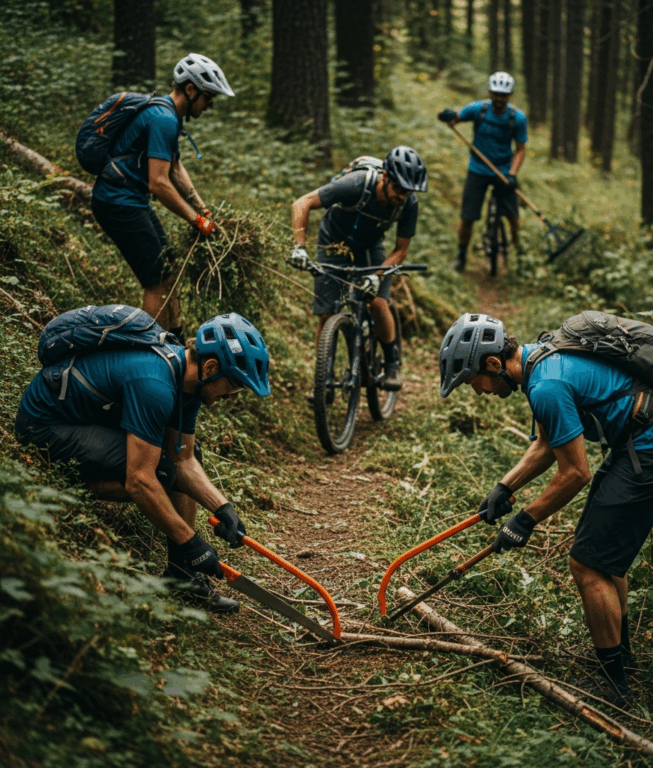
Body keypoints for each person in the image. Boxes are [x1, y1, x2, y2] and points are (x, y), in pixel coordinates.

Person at [438, 312, 653, 708]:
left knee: (587, 565)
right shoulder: (541, 361)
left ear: (493, 364)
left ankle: (613, 687)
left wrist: (524, 520)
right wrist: (504, 487)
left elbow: (575, 473)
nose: (477, 391)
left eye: (473, 382)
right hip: (639, 443)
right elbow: (546, 444)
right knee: (603, 562)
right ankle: (621, 656)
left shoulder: (546, 385)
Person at [15, 311, 270, 613]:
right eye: (235, 386)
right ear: (211, 367)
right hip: (46, 425)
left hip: (87, 422)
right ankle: (66, 487)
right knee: (158, 476)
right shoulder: (155, 384)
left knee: (177, 461)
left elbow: (184, 458)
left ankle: (183, 576)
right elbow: (141, 480)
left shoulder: (187, 385)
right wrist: (191, 542)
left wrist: (222, 507)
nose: (232, 396)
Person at [90, 53, 235, 335]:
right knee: (156, 280)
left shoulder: (169, 116)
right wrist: (196, 220)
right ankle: (149, 349)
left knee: (169, 267)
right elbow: (158, 183)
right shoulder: (163, 118)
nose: (210, 106)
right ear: (191, 90)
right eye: (209, 98)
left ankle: (175, 340)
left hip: (130, 201)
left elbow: (176, 167)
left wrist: (202, 207)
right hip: (118, 203)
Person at [289, 146, 428, 392]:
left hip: (369, 248)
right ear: (385, 177)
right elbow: (303, 202)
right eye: (399, 189)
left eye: (409, 192)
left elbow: (400, 251)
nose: (403, 196)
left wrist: (377, 277)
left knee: (376, 302)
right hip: (333, 242)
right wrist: (299, 247)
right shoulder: (356, 184)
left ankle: (392, 363)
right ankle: (323, 379)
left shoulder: (408, 205)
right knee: (327, 312)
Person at [438, 71, 528, 272]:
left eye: (503, 95)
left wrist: (512, 174)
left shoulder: (517, 118)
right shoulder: (477, 109)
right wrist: (448, 116)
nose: (498, 98)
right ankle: (461, 257)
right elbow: (456, 118)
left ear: (509, 95)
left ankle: (518, 254)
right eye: (495, 93)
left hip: (504, 172)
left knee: (513, 217)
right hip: (478, 169)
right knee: (467, 217)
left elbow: (520, 150)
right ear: (490, 91)